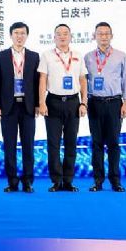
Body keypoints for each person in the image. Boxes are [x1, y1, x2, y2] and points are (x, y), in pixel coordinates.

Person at [38, 23, 88, 192]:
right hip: (53, 101)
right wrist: (42, 102)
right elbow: (42, 79)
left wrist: (84, 102)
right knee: (53, 144)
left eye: (65, 33)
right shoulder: (47, 55)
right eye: (58, 34)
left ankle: (68, 181)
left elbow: (83, 80)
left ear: (70, 36)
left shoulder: (78, 55)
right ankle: (56, 181)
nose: (62, 36)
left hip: (73, 102)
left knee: (71, 143)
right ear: (54, 37)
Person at [83, 22, 126, 192]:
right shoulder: (88, 57)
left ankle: (115, 181)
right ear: (94, 36)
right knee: (96, 143)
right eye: (100, 33)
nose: (103, 36)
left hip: (114, 103)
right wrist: (84, 102)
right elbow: (84, 82)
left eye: (106, 33)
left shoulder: (120, 56)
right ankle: (98, 181)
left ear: (112, 36)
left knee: (113, 143)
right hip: (94, 103)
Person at [0, 22, 40, 193]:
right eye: (16, 33)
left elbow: (37, 83)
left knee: (28, 146)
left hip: (28, 107)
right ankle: (12, 181)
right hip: (8, 107)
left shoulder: (34, 56)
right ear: (11, 35)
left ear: (27, 35)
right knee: (9, 146)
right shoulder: (1, 56)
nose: (19, 36)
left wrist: (37, 104)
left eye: (22, 33)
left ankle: (28, 182)